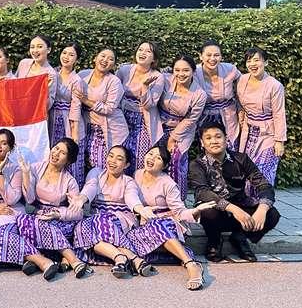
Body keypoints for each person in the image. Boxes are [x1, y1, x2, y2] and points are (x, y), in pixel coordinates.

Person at [0, 129, 59, 279]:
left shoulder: (15, 169)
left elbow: (11, 199)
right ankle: (28, 259)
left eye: (4, 143)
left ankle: (43, 261)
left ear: (10, 148)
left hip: (8, 212)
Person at [188, 121, 281, 263]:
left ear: (226, 139)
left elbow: (264, 185)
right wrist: (233, 208)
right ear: (202, 143)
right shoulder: (197, 164)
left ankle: (240, 237)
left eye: (218, 136)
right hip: (217, 216)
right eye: (208, 138)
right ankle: (214, 241)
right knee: (207, 210)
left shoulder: (241, 159)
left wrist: (262, 209)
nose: (214, 141)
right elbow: (202, 192)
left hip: (240, 214)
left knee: (272, 214)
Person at [134, 145, 215, 290]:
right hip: (145, 225)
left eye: (158, 158)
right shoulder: (137, 175)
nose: (152, 158)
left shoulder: (168, 184)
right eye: (150, 154)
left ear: (164, 165)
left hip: (167, 224)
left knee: (157, 225)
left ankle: (191, 265)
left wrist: (195, 211)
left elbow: (179, 211)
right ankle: (180, 255)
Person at [72, 145, 158, 279]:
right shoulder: (96, 173)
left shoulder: (128, 181)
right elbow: (90, 186)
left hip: (121, 218)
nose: (112, 161)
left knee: (99, 221)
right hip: (97, 218)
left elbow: (131, 198)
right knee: (81, 227)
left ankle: (123, 260)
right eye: (110, 156)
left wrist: (140, 209)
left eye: (119, 159)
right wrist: (81, 199)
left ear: (126, 164)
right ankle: (127, 259)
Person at [16, 138, 88, 278]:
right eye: (55, 148)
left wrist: (58, 214)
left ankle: (68, 259)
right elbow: (30, 200)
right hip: (39, 216)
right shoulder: (36, 168)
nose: (55, 153)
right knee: (23, 220)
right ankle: (55, 258)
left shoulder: (69, 180)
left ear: (68, 160)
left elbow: (78, 212)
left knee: (46, 227)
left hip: (58, 220)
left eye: (62, 153)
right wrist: (26, 174)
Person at [236, 47, 287, 187]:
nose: (252, 64)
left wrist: (279, 141)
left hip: (268, 134)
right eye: (249, 60)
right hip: (249, 132)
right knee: (246, 169)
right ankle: (248, 204)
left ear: (266, 62)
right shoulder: (242, 79)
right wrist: (241, 123)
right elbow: (239, 104)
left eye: (257, 60)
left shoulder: (275, 85)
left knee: (263, 169)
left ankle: (264, 204)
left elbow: (279, 113)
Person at [158, 54, 206, 199]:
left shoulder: (199, 94)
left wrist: (173, 137)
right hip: (159, 124)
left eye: (185, 70)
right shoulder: (165, 80)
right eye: (177, 70)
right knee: (156, 158)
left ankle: (178, 199)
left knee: (176, 159)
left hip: (182, 129)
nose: (180, 74)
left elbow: (191, 119)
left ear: (193, 71)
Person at [73, 48, 129, 171]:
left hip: (110, 129)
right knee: (84, 164)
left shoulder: (114, 81)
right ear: (95, 58)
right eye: (102, 56)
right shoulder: (83, 74)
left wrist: (86, 100)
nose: (105, 60)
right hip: (88, 127)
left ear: (113, 64)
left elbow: (109, 109)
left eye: (110, 59)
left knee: (103, 167)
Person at [116, 42, 164, 175]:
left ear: (154, 58)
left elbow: (150, 105)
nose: (143, 53)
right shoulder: (124, 70)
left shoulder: (157, 77)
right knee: (121, 155)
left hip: (143, 120)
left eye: (148, 52)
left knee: (140, 156)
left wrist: (145, 87)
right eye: (140, 50)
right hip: (122, 118)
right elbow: (115, 93)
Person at [194, 40, 241, 149]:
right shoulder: (194, 71)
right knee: (209, 147)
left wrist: (241, 110)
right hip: (204, 117)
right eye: (208, 55)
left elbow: (244, 84)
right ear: (201, 56)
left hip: (228, 115)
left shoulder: (230, 69)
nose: (212, 58)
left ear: (221, 56)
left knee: (230, 148)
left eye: (216, 55)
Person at [51, 42, 84, 187]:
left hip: (67, 120)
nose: (66, 57)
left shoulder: (76, 80)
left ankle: (71, 191)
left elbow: (76, 108)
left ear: (76, 60)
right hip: (51, 118)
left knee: (68, 154)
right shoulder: (52, 73)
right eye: (64, 53)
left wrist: (74, 134)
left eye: (71, 55)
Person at [15, 35, 58, 111]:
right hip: (18, 111)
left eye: (40, 47)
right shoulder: (23, 63)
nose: (35, 50)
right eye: (32, 47)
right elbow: (14, 86)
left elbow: (47, 106)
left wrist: (46, 90)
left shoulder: (51, 74)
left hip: (36, 117)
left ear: (48, 50)